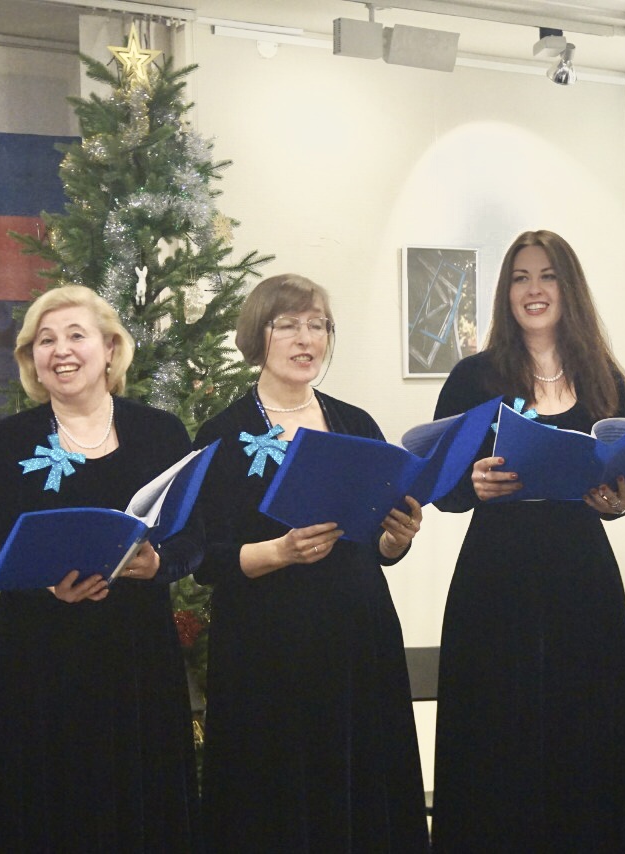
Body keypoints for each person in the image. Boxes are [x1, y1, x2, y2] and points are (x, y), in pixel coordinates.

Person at [430, 231, 625, 852]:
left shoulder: (606, 378)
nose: (534, 289)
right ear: (506, 292)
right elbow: (440, 488)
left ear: (568, 287)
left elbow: (618, 483)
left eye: (547, 275)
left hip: (582, 574)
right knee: (495, 729)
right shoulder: (473, 378)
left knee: (588, 726)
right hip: (496, 575)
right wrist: (472, 483)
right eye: (520, 277)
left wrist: (618, 501)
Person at [192, 274, 429, 853]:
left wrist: (395, 540)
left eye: (317, 325)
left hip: (355, 637)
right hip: (266, 645)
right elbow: (203, 557)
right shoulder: (222, 434)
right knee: (275, 796)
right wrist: (281, 551)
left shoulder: (355, 423)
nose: (306, 339)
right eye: (289, 325)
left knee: (360, 784)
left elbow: (375, 539)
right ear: (259, 335)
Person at [0, 284, 202, 852]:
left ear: (110, 348)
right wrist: (48, 586)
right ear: (32, 359)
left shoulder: (161, 432)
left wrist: (160, 561)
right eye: (45, 340)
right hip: (39, 658)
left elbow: (194, 536)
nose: (61, 350)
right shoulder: (8, 440)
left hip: (136, 656)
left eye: (76, 335)